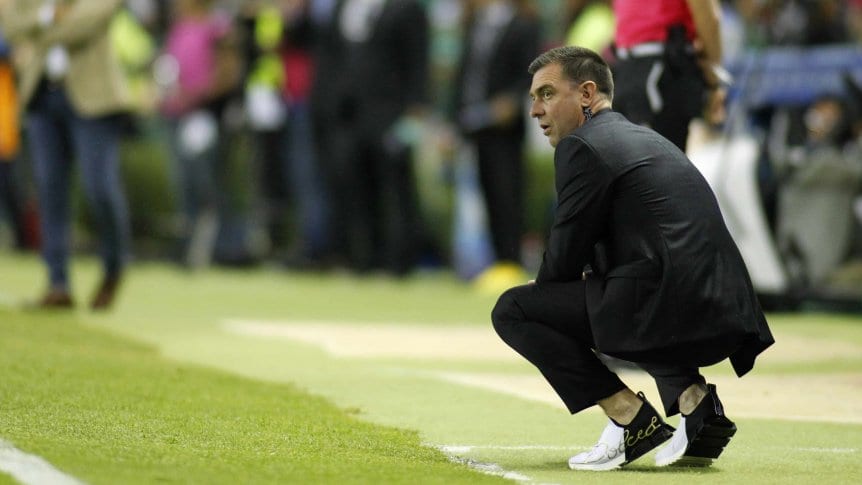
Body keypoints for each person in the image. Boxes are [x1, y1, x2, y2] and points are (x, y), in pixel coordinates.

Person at [491, 45, 774, 471]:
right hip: (725, 304)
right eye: (533, 98)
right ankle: (697, 405)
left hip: (670, 302)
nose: (535, 110)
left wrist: (545, 291)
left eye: (547, 94)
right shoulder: (646, 138)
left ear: (587, 94)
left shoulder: (581, 146)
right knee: (621, 292)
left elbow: (565, 255)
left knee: (514, 310)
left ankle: (629, 418)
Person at [2, 0, 133, 310]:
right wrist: (50, 15)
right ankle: (57, 282)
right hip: (43, 96)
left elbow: (89, 22)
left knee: (99, 188)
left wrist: (38, 29)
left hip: (95, 100)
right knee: (50, 191)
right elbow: (11, 23)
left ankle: (114, 266)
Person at [451, 0, 540, 290]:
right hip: (475, 125)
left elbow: (531, 73)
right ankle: (496, 263)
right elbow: (464, 75)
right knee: (486, 193)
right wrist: (453, 121)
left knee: (507, 193)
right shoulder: (475, 23)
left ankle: (511, 261)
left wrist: (512, 101)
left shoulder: (523, 25)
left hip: (506, 130)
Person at [610, 0, 727, 151]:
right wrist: (713, 83)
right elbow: (709, 19)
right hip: (661, 71)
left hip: (625, 67)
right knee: (663, 160)